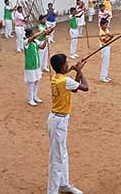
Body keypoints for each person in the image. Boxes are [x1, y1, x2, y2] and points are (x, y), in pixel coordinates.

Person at [47, 55, 88, 194]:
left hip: (58, 120)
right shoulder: (65, 80)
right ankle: (52, 191)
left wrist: (75, 71)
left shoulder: (57, 77)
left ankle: (63, 184)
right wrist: (80, 72)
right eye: (66, 63)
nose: (68, 65)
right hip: (58, 120)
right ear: (62, 67)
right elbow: (85, 87)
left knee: (62, 155)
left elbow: (74, 89)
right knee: (57, 159)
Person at [24, 27, 50, 106]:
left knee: (36, 81)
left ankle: (35, 96)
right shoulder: (26, 42)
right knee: (31, 83)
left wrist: (45, 41)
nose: (33, 35)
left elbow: (42, 47)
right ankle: (30, 99)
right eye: (32, 34)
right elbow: (34, 37)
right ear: (29, 36)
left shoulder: (35, 42)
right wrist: (43, 32)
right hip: (30, 66)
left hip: (37, 65)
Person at [98, 18, 113, 83]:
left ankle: (105, 75)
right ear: (101, 25)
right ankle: (102, 77)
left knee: (107, 62)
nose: (106, 26)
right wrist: (111, 37)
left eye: (107, 24)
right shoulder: (101, 32)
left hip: (107, 46)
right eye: (105, 25)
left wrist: (110, 35)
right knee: (105, 62)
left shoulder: (106, 29)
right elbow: (105, 41)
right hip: (104, 47)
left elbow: (109, 33)